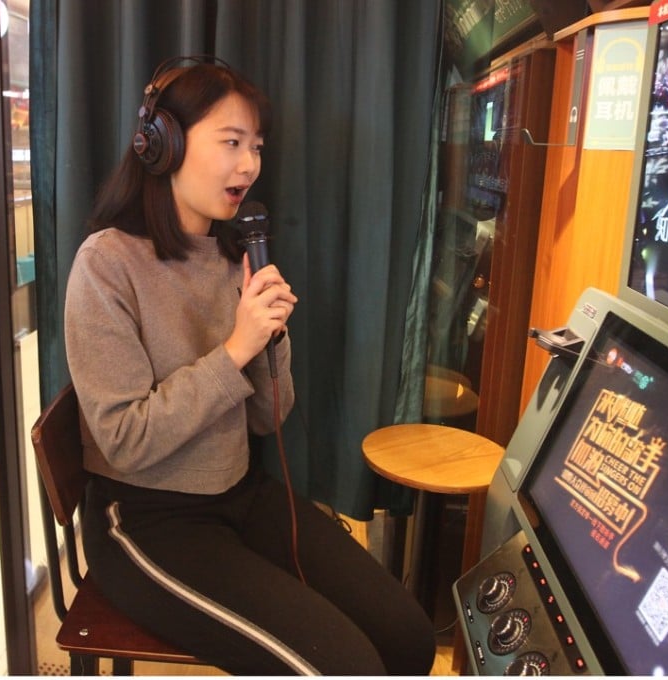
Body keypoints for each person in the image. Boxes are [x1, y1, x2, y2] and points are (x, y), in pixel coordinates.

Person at [64, 56, 437, 675]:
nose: (249, 165)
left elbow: (268, 419)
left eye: (256, 147)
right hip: (147, 519)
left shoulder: (232, 250)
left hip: (241, 494)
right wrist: (236, 348)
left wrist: (271, 338)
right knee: (347, 667)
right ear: (162, 145)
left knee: (407, 639)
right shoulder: (106, 264)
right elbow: (124, 441)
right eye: (231, 142)